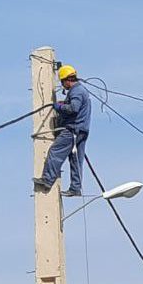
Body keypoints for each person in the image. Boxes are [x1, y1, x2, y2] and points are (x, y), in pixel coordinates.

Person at [33, 65, 92, 197]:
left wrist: (59, 107)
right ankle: (75, 188)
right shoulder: (81, 91)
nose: (63, 85)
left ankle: (47, 180)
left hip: (72, 130)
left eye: (63, 82)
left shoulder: (76, 91)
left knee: (55, 152)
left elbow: (74, 108)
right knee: (75, 159)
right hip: (81, 131)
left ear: (67, 80)